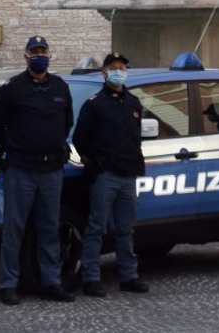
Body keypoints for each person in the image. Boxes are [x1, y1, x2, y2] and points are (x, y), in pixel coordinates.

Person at [0, 35, 75, 306]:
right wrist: (16, 145)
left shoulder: (60, 86)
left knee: (49, 229)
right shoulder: (12, 89)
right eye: (34, 51)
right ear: (26, 56)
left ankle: (51, 282)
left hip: (51, 169)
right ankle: (8, 284)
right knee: (14, 229)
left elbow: (67, 122)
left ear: (50, 55)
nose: (39, 55)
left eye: (43, 51)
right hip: (21, 168)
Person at [71, 52, 149, 297]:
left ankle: (128, 276)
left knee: (126, 229)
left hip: (129, 173)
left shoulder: (133, 102)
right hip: (106, 175)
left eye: (122, 68)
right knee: (97, 227)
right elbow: (80, 139)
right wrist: (95, 163)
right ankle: (91, 278)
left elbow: (135, 137)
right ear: (104, 73)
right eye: (113, 67)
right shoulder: (95, 104)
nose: (118, 71)